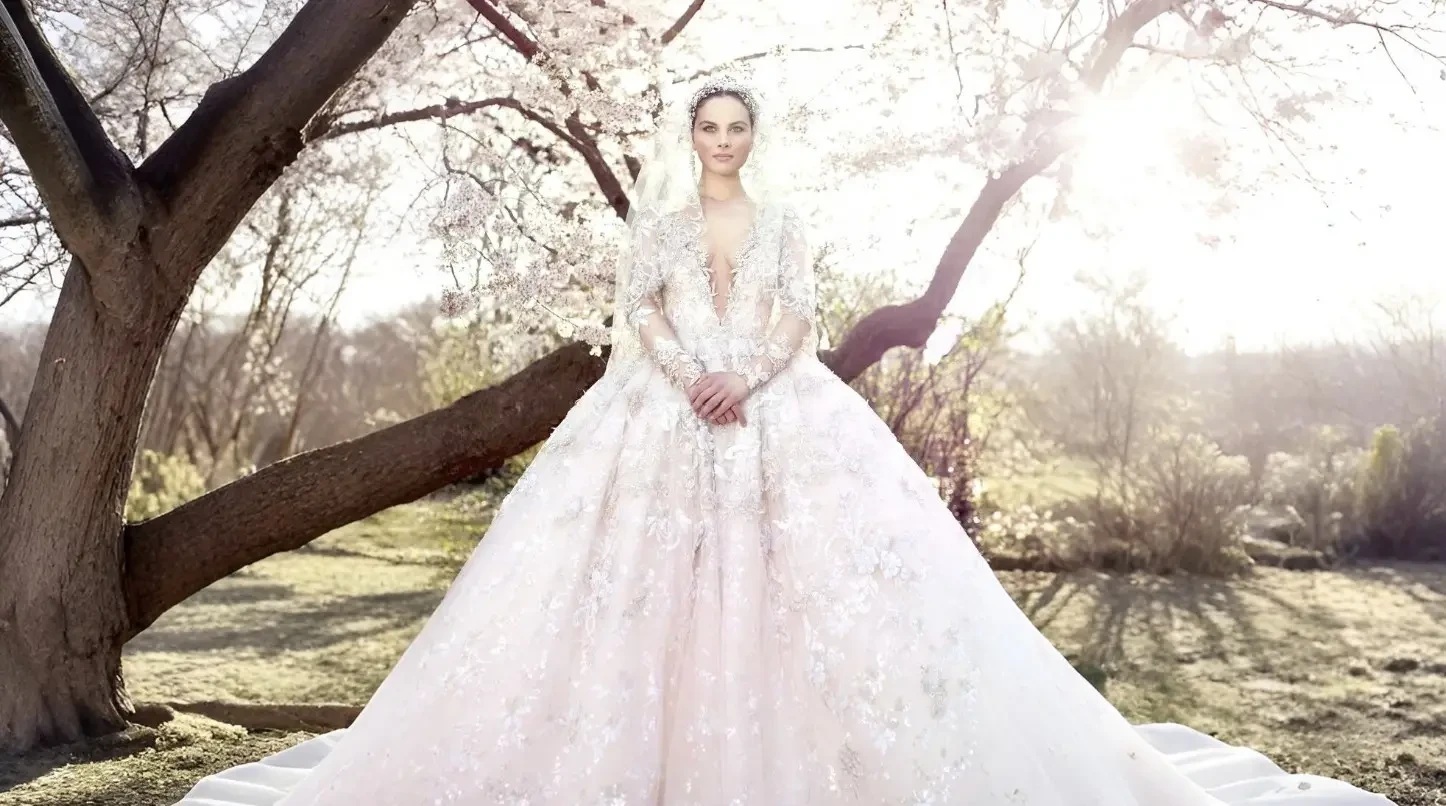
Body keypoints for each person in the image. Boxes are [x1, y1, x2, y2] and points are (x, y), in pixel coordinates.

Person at [172, 75, 1395, 806]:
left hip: (771, 402)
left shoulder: (785, 218)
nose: (721, 142)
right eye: (707, 126)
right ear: (688, 134)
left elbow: (805, 314)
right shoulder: (656, 223)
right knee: (629, 590)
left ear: (749, 140)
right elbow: (639, 312)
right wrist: (692, 371)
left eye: (735, 128)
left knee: (800, 581)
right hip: (663, 405)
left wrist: (746, 373)